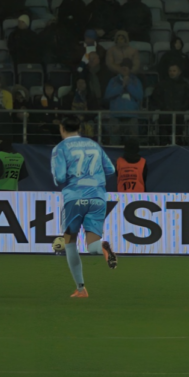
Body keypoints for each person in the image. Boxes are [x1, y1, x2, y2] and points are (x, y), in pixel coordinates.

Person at [48, 113, 113, 298]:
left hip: (74, 199)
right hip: (97, 198)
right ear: (79, 128)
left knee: (70, 243)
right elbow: (110, 169)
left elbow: (60, 177)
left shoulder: (60, 148)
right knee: (93, 245)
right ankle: (102, 246)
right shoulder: (94, 144)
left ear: (62, 128)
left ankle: (81, 289)